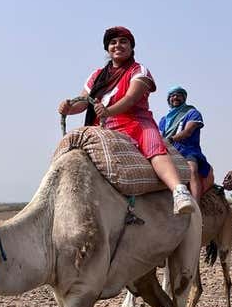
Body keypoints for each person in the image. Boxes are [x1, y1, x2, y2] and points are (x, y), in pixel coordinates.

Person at [58, 26, 195, 215]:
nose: (118, 46)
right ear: (107, 49)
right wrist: (68, 108)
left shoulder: (139, 71)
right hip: (103, 127)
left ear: (131, 47)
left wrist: (107, 111)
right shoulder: (97, 76)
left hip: (137, 122)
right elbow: (82, 104)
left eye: (123, 42)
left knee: (154, 147)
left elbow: (130, 99)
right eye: (113, 42)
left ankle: (179, 192)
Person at [158, 86, 213, 202]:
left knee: (192, 170)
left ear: (184, 98)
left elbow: (187, 132)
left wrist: (170, 140)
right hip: (168, 150)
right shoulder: (164, 119)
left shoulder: (192, 113)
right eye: (172, 95)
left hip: (188, 150)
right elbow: (160, 135)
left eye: (178, 95)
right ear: (169, 100)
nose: (175, 97)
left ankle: (195, 205)